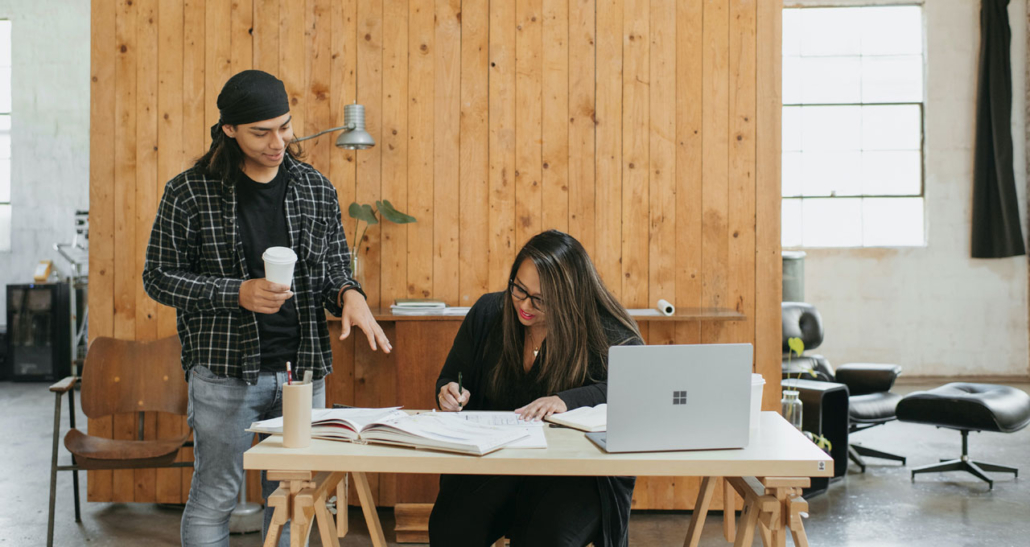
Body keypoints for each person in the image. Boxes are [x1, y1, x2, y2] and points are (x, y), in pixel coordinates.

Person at [142, 69, 391, 547]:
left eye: (284, 126)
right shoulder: (189, 192)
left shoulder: (315, 188)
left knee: (292, 498)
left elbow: (334, 266)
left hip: (303, 374)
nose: (278, 141)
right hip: (223, 373)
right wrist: (236, 291)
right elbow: (159, 277)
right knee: (215, 494)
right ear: (230, 130)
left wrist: (350, 295)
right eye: (261, 132)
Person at [430, 230, 642, 547]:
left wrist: (567, 400)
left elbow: (635, 392)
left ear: (570, 298)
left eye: (540, 300)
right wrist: (448, 392)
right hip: (499, 462)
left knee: (546, 539)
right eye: (519, 289)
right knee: (450, 528)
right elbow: (453, 376)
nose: (525, 305)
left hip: (576, 475)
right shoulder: (490, 313)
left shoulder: (605, 331)